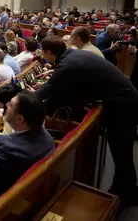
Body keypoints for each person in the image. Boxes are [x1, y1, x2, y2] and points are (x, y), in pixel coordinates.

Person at [33, 36, 138, 207]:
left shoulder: (67, 64)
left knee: (121, 151)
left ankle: (128, 194)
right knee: (121, 151)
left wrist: (19, 100)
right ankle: (123, 188)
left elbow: (44, 93)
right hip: (122, 99)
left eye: (43, 53)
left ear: (49, 52)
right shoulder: (72, 55)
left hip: (122, 104)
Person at [0, 92, 54, 196]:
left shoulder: (10, 150)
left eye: (10, 105)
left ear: (20, 119)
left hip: (2, 192)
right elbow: (7, 139)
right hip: (25, 182)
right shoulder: (42, 132)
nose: (6, 106)